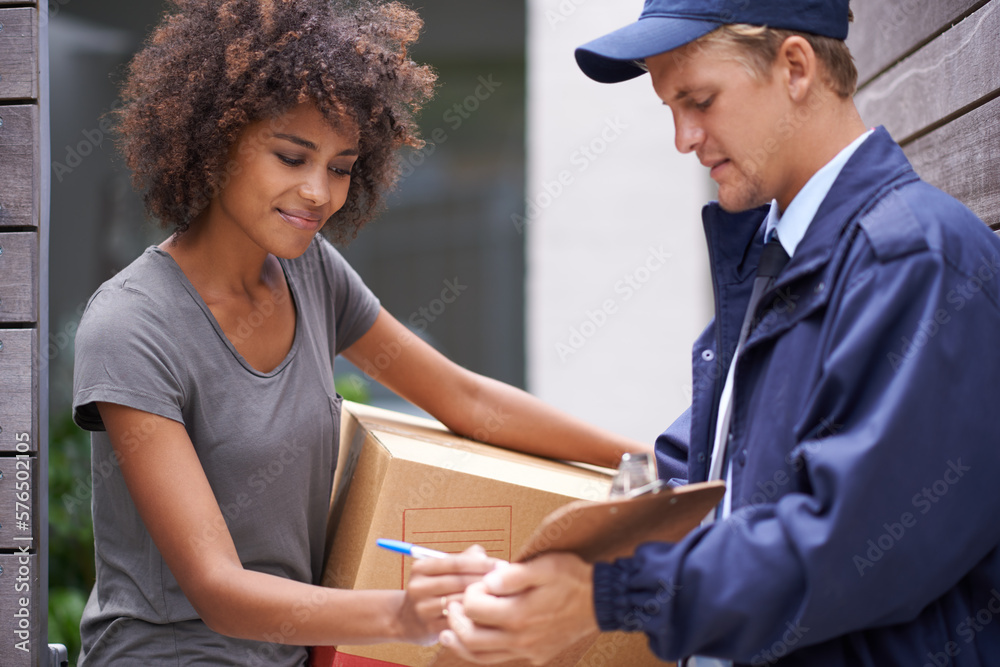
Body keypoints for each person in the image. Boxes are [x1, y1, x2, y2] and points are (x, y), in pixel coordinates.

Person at [70, 1, 651, 664]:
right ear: (215, 138)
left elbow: (467, 400)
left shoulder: (311, 274)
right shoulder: (130, 327)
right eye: (292, 157)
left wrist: (651, 462)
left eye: (341, 166)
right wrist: (402, 612)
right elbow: (219, 589)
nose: (319, 191)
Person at [435, 1, 1000, 665]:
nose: (683, 137)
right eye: (670, 107)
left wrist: (608, 595)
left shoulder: (914, 260)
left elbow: (845, 548)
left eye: (699, 100)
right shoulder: (778, 258)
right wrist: (518, 573)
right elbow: (693, 484)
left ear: (795, 67)